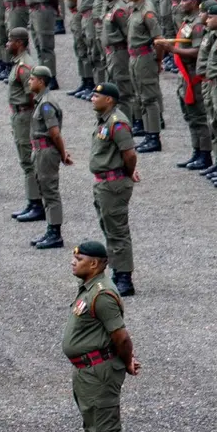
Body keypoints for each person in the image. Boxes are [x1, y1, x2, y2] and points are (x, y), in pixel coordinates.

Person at [63, 240, 137, 432]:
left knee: (106, 430)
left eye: (79, 258)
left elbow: (120, 335)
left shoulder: (102, 294)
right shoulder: (90, 289)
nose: (73, 261)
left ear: (94, 264)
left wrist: (127, 360)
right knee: (93, 428)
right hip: (87, 370)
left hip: (99, 372)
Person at [88, 82, 140, 296]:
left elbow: (130, 154)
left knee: (117, 230)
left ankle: (125, 278)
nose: (92, 98)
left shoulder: (117, 123)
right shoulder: (105, 121)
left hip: (114, 183)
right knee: (109, 227)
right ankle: (118, 271)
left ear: (109, 100)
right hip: (105, 182)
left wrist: (127, 173)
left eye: (97, 96)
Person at [28, 65, 70, 250]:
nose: (29, 82)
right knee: (44, 190)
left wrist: (62, 154)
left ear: (41, 81)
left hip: (46, 152)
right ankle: (50, 228)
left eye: (32, 79)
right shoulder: (41, 101)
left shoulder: (46, 104)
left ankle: (55, 233)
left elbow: (54, 133)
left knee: (50, 192)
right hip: (40, 151)